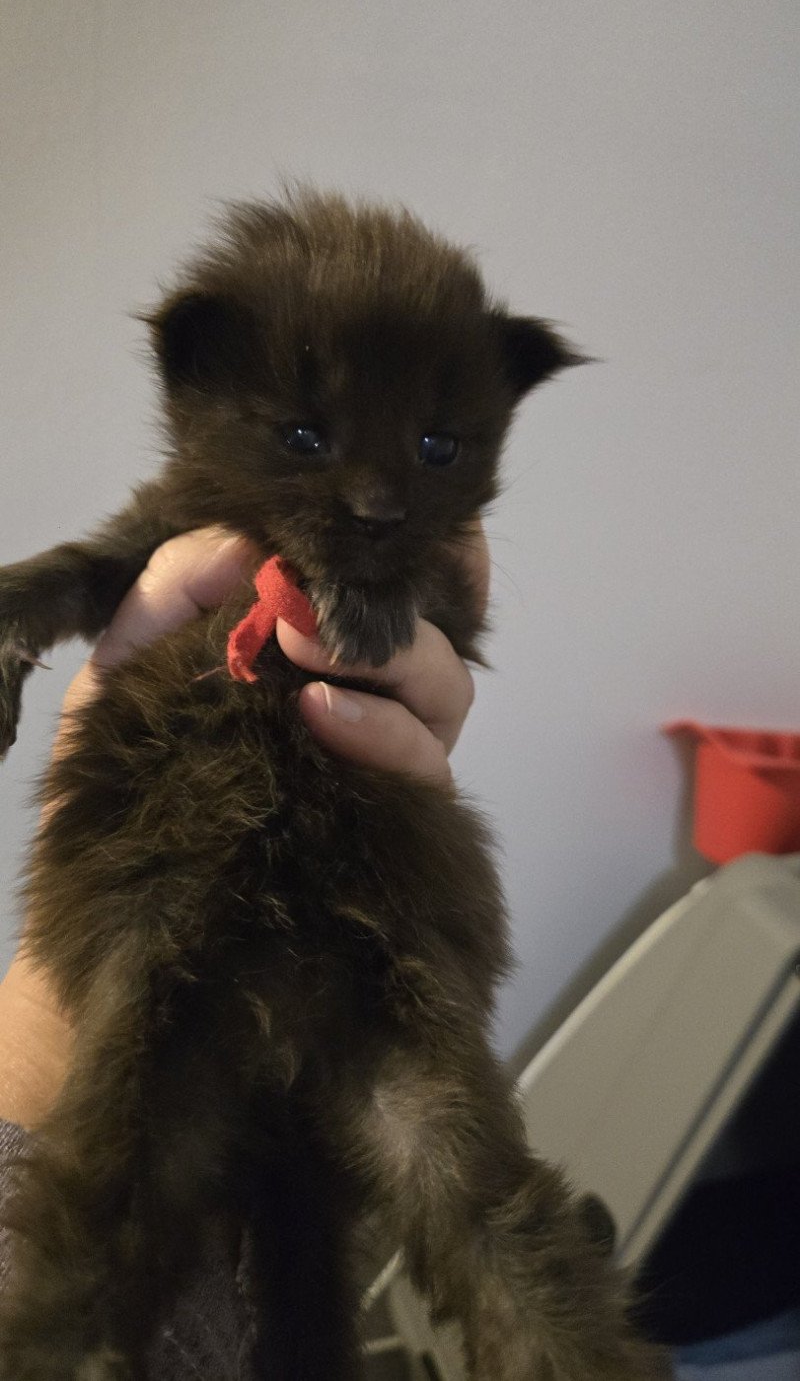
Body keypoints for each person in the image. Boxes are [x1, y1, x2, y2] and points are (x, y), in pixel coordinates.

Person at [0, 524, 488, 1375]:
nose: (370, 496)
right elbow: (94, 575)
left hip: (310, 969)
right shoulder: (205, 525)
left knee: (305, 1234)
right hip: (166, 986)